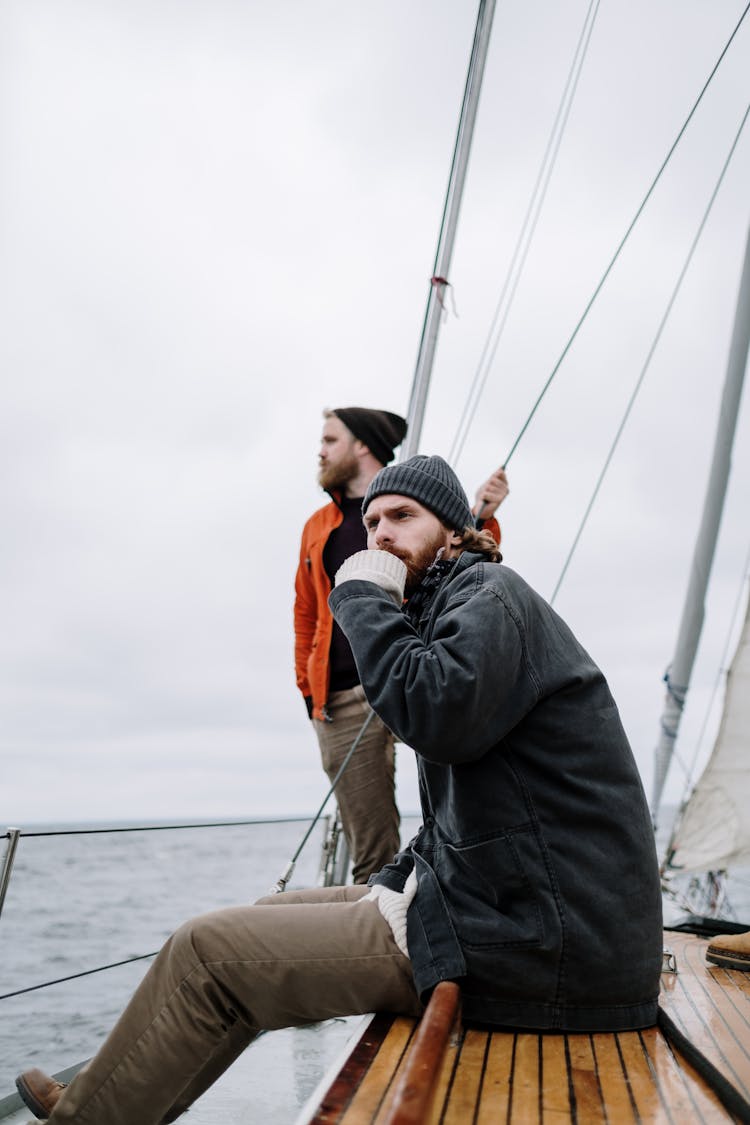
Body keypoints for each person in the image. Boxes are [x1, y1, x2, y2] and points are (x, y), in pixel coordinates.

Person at [18, 454, 662, 1125]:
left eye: (401, 516)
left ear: (453, 531)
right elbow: (454, 813)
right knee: (265, 913)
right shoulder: (456, 606)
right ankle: (117, 1099)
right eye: (372, 521)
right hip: (519, 910)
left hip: (548, 943)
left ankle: (87, 1119)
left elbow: (434, 715)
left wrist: (357, 597)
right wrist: (392, 877)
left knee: (204, 949)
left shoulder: (490, 600)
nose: (378, 533)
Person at [294, 407, 507, 882]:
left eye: (330, 440)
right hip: (344, 696)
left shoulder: (427, 513)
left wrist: (484, 517)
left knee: (465, 804)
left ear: (362, 446)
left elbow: (462, 569)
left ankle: (458, 900)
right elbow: (306, 612)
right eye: (374, 523)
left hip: (421, 672)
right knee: (371, 843)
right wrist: (311, 693)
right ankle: (371, 925)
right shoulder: (317, 528)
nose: (321, 450)